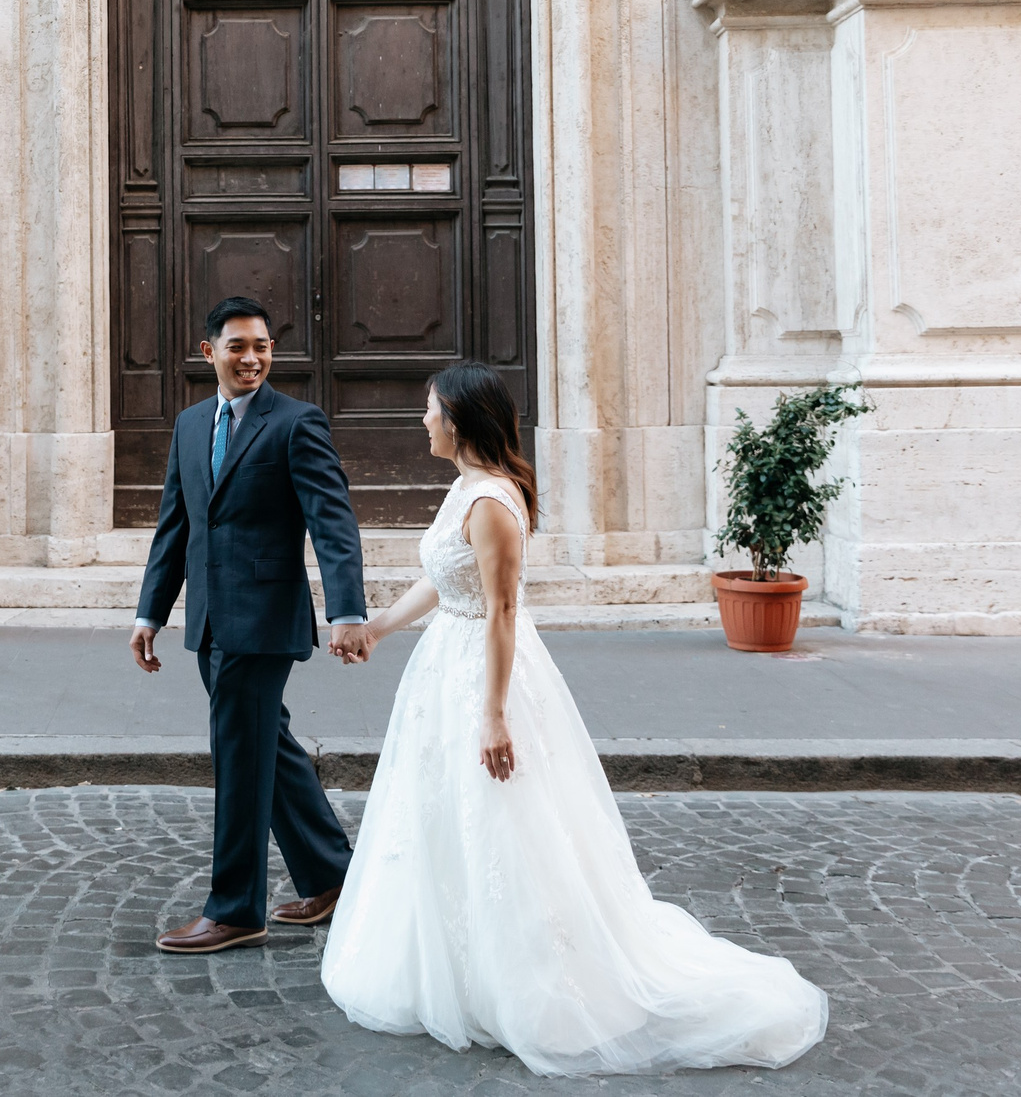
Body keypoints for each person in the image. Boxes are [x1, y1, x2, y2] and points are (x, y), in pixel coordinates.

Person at [318, 362, 829, 1076]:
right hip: (448, 666)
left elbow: (499, 608)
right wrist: (379, 627)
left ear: (459, 421)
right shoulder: (466, 488)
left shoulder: (493, 500)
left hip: (483, 671)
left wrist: (494, 714)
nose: (422, 421)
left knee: (502, 817)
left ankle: (524, 980)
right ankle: (455, 964)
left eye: (429, 410)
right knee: (445, 816)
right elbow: (445, 576)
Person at [130, 296, 371, 954]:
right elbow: (175, 527)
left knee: (239, 756)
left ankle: (235, 907)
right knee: (270, 749)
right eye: (238, 345)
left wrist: (347, 609)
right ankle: (333, 875)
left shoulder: (297, 423)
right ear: (208, 352)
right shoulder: (187, 426)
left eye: (262, 345)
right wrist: (152, 610)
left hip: (264, 620)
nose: (253, 358)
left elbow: (332, 520)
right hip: (210, 620)